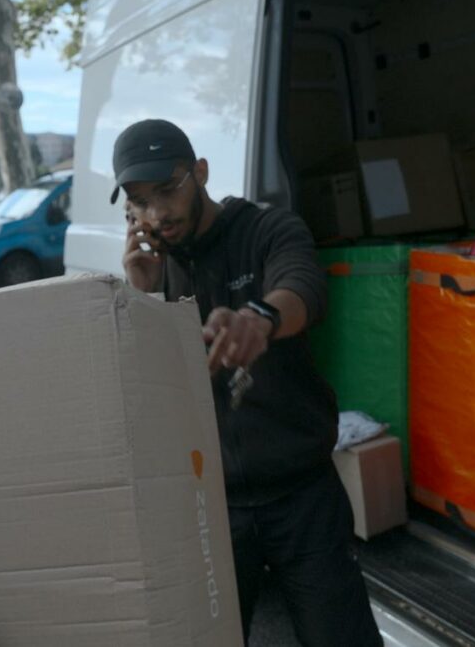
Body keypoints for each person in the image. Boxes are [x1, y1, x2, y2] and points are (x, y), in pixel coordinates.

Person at [113, 120, 382, 646]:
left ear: (201, 172)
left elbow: (303, 285)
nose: (158, 213)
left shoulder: (264, 228)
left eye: (168, 190)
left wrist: (259, 318)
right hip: (210, 504)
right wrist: (139, 295)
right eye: (140, 202)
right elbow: (143, 388)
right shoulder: (151, 267)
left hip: (302, 493)